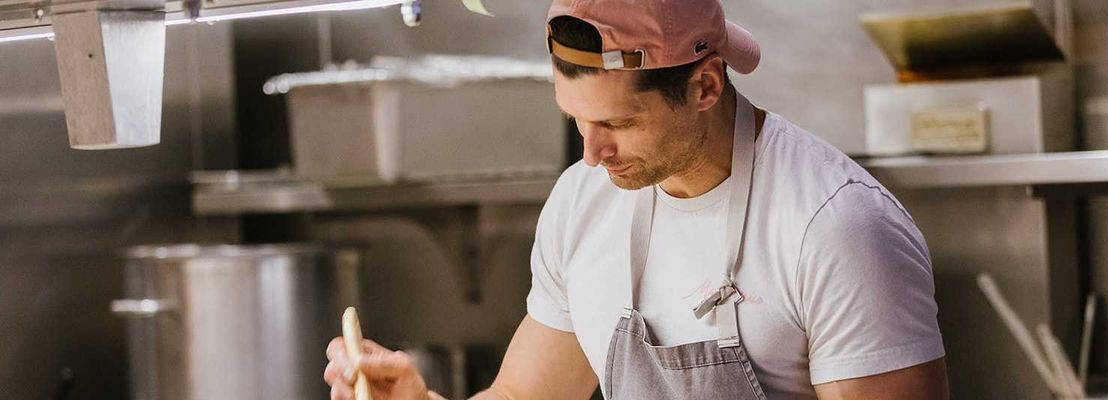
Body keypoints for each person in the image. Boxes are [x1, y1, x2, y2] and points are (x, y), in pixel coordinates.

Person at [325, 0, 949, 398]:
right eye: (576, 120)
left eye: (617, 124)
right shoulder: (581, 203)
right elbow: (522, 396)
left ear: (704, 86)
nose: (592, 154)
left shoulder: (837, 226)